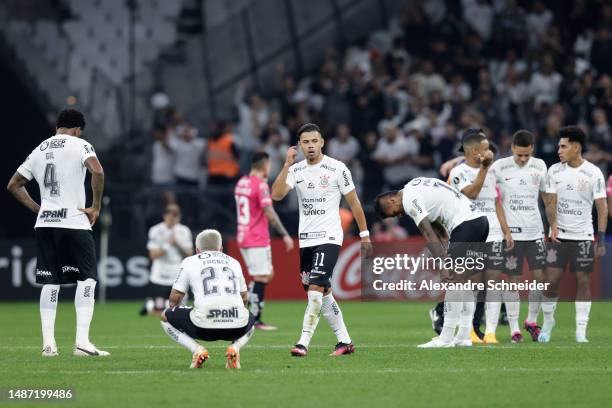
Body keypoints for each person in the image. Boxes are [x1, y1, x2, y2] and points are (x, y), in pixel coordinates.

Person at [6, 109, 108, 356]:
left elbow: (13, 185)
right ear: (77, 129)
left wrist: (38, 209)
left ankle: (49, 346)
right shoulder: (80, 144)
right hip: (74, 222)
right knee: (87, 279)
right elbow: (97, 171)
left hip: (46, 224)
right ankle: (82, 343)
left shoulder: (39, 149)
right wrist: (95, 206)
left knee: (50, 283)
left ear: (57, 127)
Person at [271, 123, 372, 357]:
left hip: (330, 236)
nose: (310, 146)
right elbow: (276, 195)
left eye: (314, 141)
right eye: (305, 142)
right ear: (300, 145)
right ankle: (345, 342)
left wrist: (365, 235)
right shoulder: (295, 170)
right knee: (322, 292)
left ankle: (302, 342)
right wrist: (286, 165)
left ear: (322, 142)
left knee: (315, 288)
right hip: (306, 239)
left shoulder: (337, 168)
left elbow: (354, 203)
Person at [374, 177, 488, 348]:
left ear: (392, 200)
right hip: (480, 221)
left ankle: (446, 338)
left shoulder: (410, 200)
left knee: (454, 283)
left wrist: (443, 266)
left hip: (466, 224)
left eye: (395, 212)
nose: (400, 214)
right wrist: (448, 256)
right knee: (465, 283)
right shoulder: (416, 185)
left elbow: (428, 234)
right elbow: (440, 231)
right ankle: (464, 336)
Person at [539, 126, 608, 343]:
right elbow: (549, 202)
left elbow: (602, 208)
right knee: (551, 281)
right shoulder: (554, 171)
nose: (559, 150)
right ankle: (549, 321)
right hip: (558, 236)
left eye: (563, 146)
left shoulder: (593, 173)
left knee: (583, 281)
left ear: (576, 147)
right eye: (559, 146)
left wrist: (601, 239)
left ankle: (580, 331)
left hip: (584, 236)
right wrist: (553, 225)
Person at [449, 128, 514, 344]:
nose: (490, 153)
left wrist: (507, 231)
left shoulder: (492, 171)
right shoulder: (459, 173)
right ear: (475, 151)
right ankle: (468, 330)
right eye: (486, 149)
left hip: (494, 232)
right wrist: (485, 169)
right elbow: (472, 193)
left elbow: (496, 203)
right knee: (473, 282)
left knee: (494, 282)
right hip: (472, 232)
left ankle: (490, 333)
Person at [489, 130, 554, 341]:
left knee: (541, 279)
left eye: (527, 155)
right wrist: (505, 230)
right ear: (512, 149)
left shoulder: (540, 165)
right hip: (511, 235)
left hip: (535, 231)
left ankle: (531, 321)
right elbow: (494, 201)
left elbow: (547, 198)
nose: (523, 159)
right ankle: (514, 329)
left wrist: (553, 225)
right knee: (513, 282)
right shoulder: (499, 167)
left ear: (532, 149)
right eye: (519, 155)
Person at [160, 229, 255, 369]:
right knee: (250, 317)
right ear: (221, 249)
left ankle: (197, 350)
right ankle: (235, 348)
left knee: (164, 316)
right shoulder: (234, 262)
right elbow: (244, 297)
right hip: (236, 327)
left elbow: (175, 297)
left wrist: (177, 312)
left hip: (203, 327)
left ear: (197, 250)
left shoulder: (189, 261)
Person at [234, 151, 294, 330]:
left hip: (243, 235)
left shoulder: (242, 182)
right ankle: (254, 319)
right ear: (264, 166)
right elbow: (270, 213)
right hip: (257, 237)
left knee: (265, 275)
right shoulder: (260, 186)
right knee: (262, 276)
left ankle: (248, 312)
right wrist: (284, 234)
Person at [140, 204, 193, 316]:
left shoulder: (184, 231)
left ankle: (150, 304)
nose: (173, 218)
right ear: (165, 216)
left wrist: (177, 243)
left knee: (180, 309)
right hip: (160, 273)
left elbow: (189, 254)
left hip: (177, 271)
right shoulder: (155, 230)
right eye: (170, 215)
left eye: (176, 215)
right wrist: (167, 244)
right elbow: (153, 255)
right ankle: (152, 305)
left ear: (179, 216)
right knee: (161, 311)